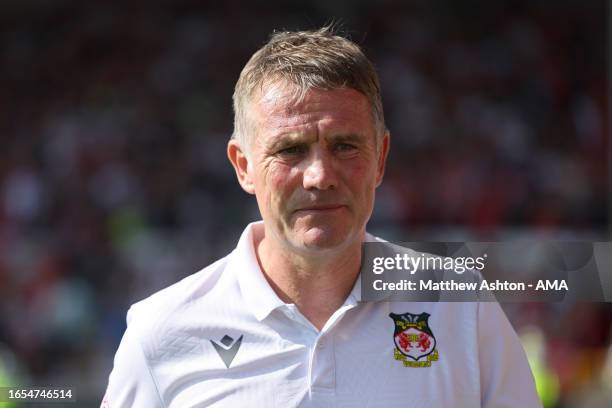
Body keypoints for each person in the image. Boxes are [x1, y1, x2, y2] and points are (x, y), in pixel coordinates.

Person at [102, 27, 541, 407]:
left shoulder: (461, 307)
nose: (319, 176)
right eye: (290, 150)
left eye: (345, 146)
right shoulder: (162, 332)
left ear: (381, 158)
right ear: (243, 166)